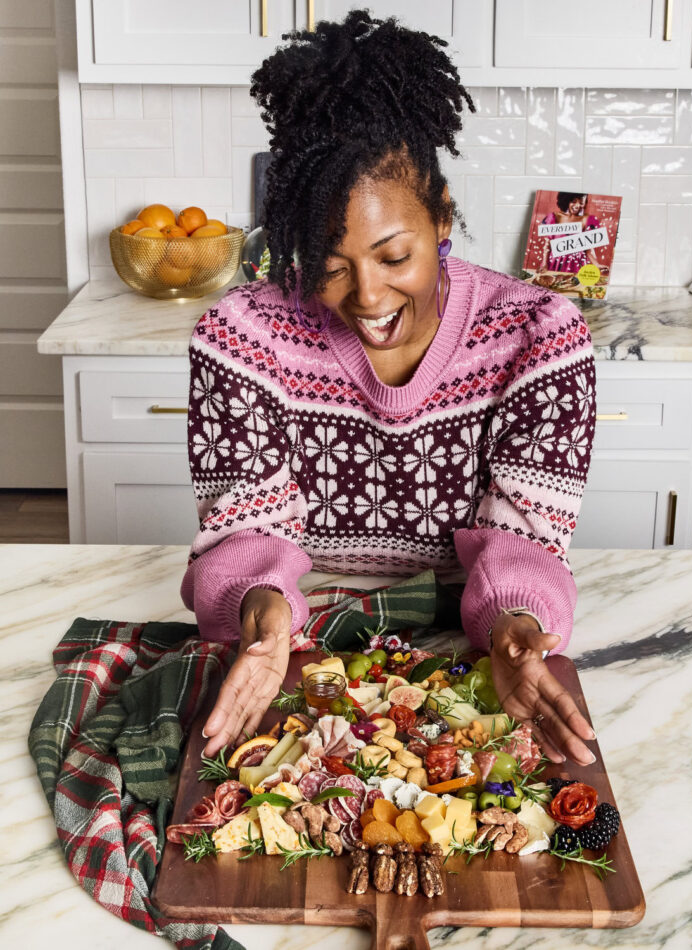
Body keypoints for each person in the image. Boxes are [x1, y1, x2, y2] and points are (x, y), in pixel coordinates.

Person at [181, 12, 597, 768]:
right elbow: (245, 530)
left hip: (476, 635)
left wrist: (513, 622)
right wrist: (262, 614)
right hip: (294, 636)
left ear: (441, 215)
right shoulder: (242, 335)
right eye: (331, 264)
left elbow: (528, 536)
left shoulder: (540, 334)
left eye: (394, 254)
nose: (366, 296)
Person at [538, 192, 609, 276]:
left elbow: (588, 248)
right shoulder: (554, 217)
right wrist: (544, 263)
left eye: (581, 203)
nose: (577, 206)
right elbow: (548, 244)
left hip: (578, 264)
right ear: (566, 201)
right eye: (573, 201)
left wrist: (596, 264)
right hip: (555, 263)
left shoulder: (587, 219)